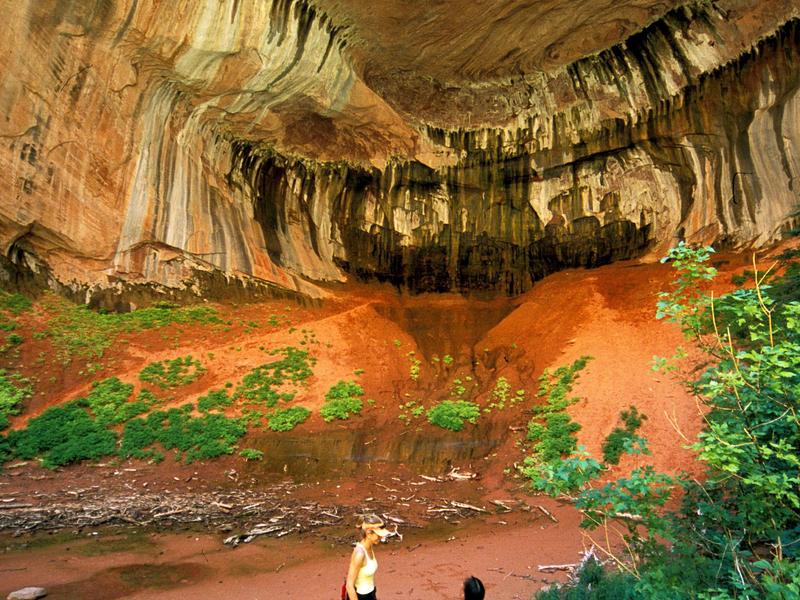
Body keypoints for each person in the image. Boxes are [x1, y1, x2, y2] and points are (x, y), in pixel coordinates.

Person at [345, 514, 391, 600]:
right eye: (378, 535)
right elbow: (349, 586)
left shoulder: (369, 547)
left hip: (371, 594)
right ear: (369, 533)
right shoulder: (360, 554)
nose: (381, 537)